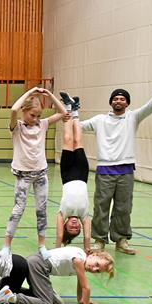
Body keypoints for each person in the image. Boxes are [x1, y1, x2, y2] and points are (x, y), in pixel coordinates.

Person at [79, 81, 152, 254]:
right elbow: (78, 126)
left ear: (127, 103)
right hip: (105, 170)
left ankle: (121, 240)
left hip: (126, 171)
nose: (118, 101)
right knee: (101, 207)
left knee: (124, 207)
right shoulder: (100, 120)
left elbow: (150, 107)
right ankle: (99, 240)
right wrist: (70, 113)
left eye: (122, 99)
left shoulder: (133, 117)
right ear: (111, 102)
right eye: (115, 98)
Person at [3, 87, 68, 258]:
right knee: (18, 210)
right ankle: (6, 245)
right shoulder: (16, 127)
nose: (36, 119)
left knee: (42, 210)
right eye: (32, 115)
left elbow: (62, 112)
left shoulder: (43, 124)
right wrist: (31, 91)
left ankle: (42, 245)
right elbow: (13, 109)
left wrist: (49, 95)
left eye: (39, 115)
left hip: (41, 174)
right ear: (24, 111)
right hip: (23, 175)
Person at [0, 246, 115, 304]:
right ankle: (11, 297)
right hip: (39, 265)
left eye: (98, 270)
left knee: (40, 297)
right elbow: (86, 287)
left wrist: (81, 300)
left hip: (38, 264)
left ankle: (3, 286)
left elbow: (80, 282)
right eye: (97, 264)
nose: (94, 269)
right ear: (93, 255)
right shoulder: (79, 260)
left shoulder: (80, 257)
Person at [55, 93, 90, 253]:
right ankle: (76, 112)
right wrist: (87, 247)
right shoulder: (84, 215)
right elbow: (87, 235)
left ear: (65, 225)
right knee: (78, 141)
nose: (75, 226)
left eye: (71, 228)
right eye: (77, 229)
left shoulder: (63, 212)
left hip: (67, 175)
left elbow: (59, 236)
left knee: (69, 140)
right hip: (82, 175)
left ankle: (68, 107)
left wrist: (57, 249)